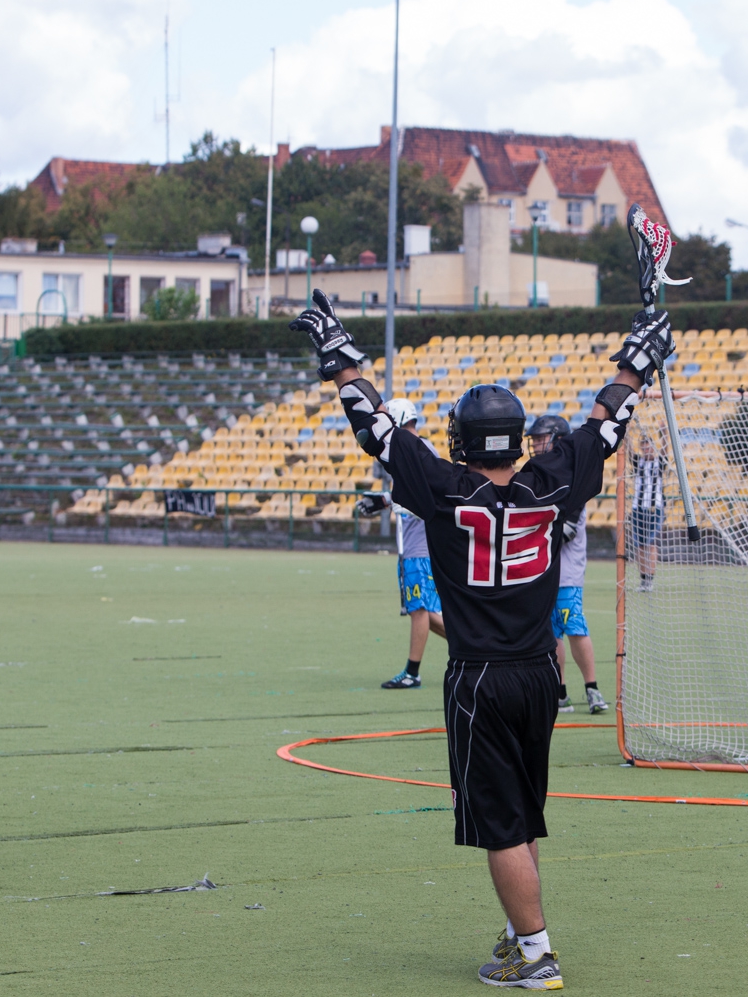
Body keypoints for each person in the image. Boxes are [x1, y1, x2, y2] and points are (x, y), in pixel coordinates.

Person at [291, 287, 664, 989]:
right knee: (521, 814)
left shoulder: (443, 489)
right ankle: (521, 935)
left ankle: (535, 952)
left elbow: (374, 426)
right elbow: (606, 423)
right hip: (539, 674)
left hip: (480, 678)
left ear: (462, 440)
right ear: (519, 437)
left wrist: (340, 356)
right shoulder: (551, 483)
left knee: (500, 825)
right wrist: (636, 361)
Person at [357, 398, 447, 689]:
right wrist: (384, 501)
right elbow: (407, 494)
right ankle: (476, 646)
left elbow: (432, 496)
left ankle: (412, 672)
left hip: (420, 546)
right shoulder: (410, 453)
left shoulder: (420, 451)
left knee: (419, 609)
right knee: (422, 610)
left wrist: (399, 505)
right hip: (413, 545)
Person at [528, 415, 609, 716]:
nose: (536, 444)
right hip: (544, 572)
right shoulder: (540, 477)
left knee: (574, 626)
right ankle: (559, 692)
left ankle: (592, 690)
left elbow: (564, 532)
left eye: (540, 438)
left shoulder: (573, 479)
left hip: (567, 573)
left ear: (558, 439)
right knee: (551, 634)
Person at [628, 429, 664, 592]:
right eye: (644, 448)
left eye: (649, 447)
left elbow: (666, 449)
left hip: (653, 508)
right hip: (638, 508)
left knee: (650, 543)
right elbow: (628, 450)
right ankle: (643, 579)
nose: (646, 450)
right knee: (640, 545)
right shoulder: (638, 462)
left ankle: (650, 579)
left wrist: (664, 432)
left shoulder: (660, 462)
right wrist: (626, 431)